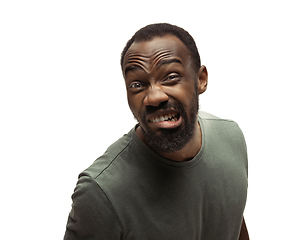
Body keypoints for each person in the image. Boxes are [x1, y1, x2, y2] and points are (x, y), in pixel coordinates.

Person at [64, 23, 249, 240]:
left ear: (201, 80)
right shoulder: (101, 191)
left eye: (171, 77)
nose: (154, 97)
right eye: (137, 85)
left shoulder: (231, 138)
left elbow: (232, 221)